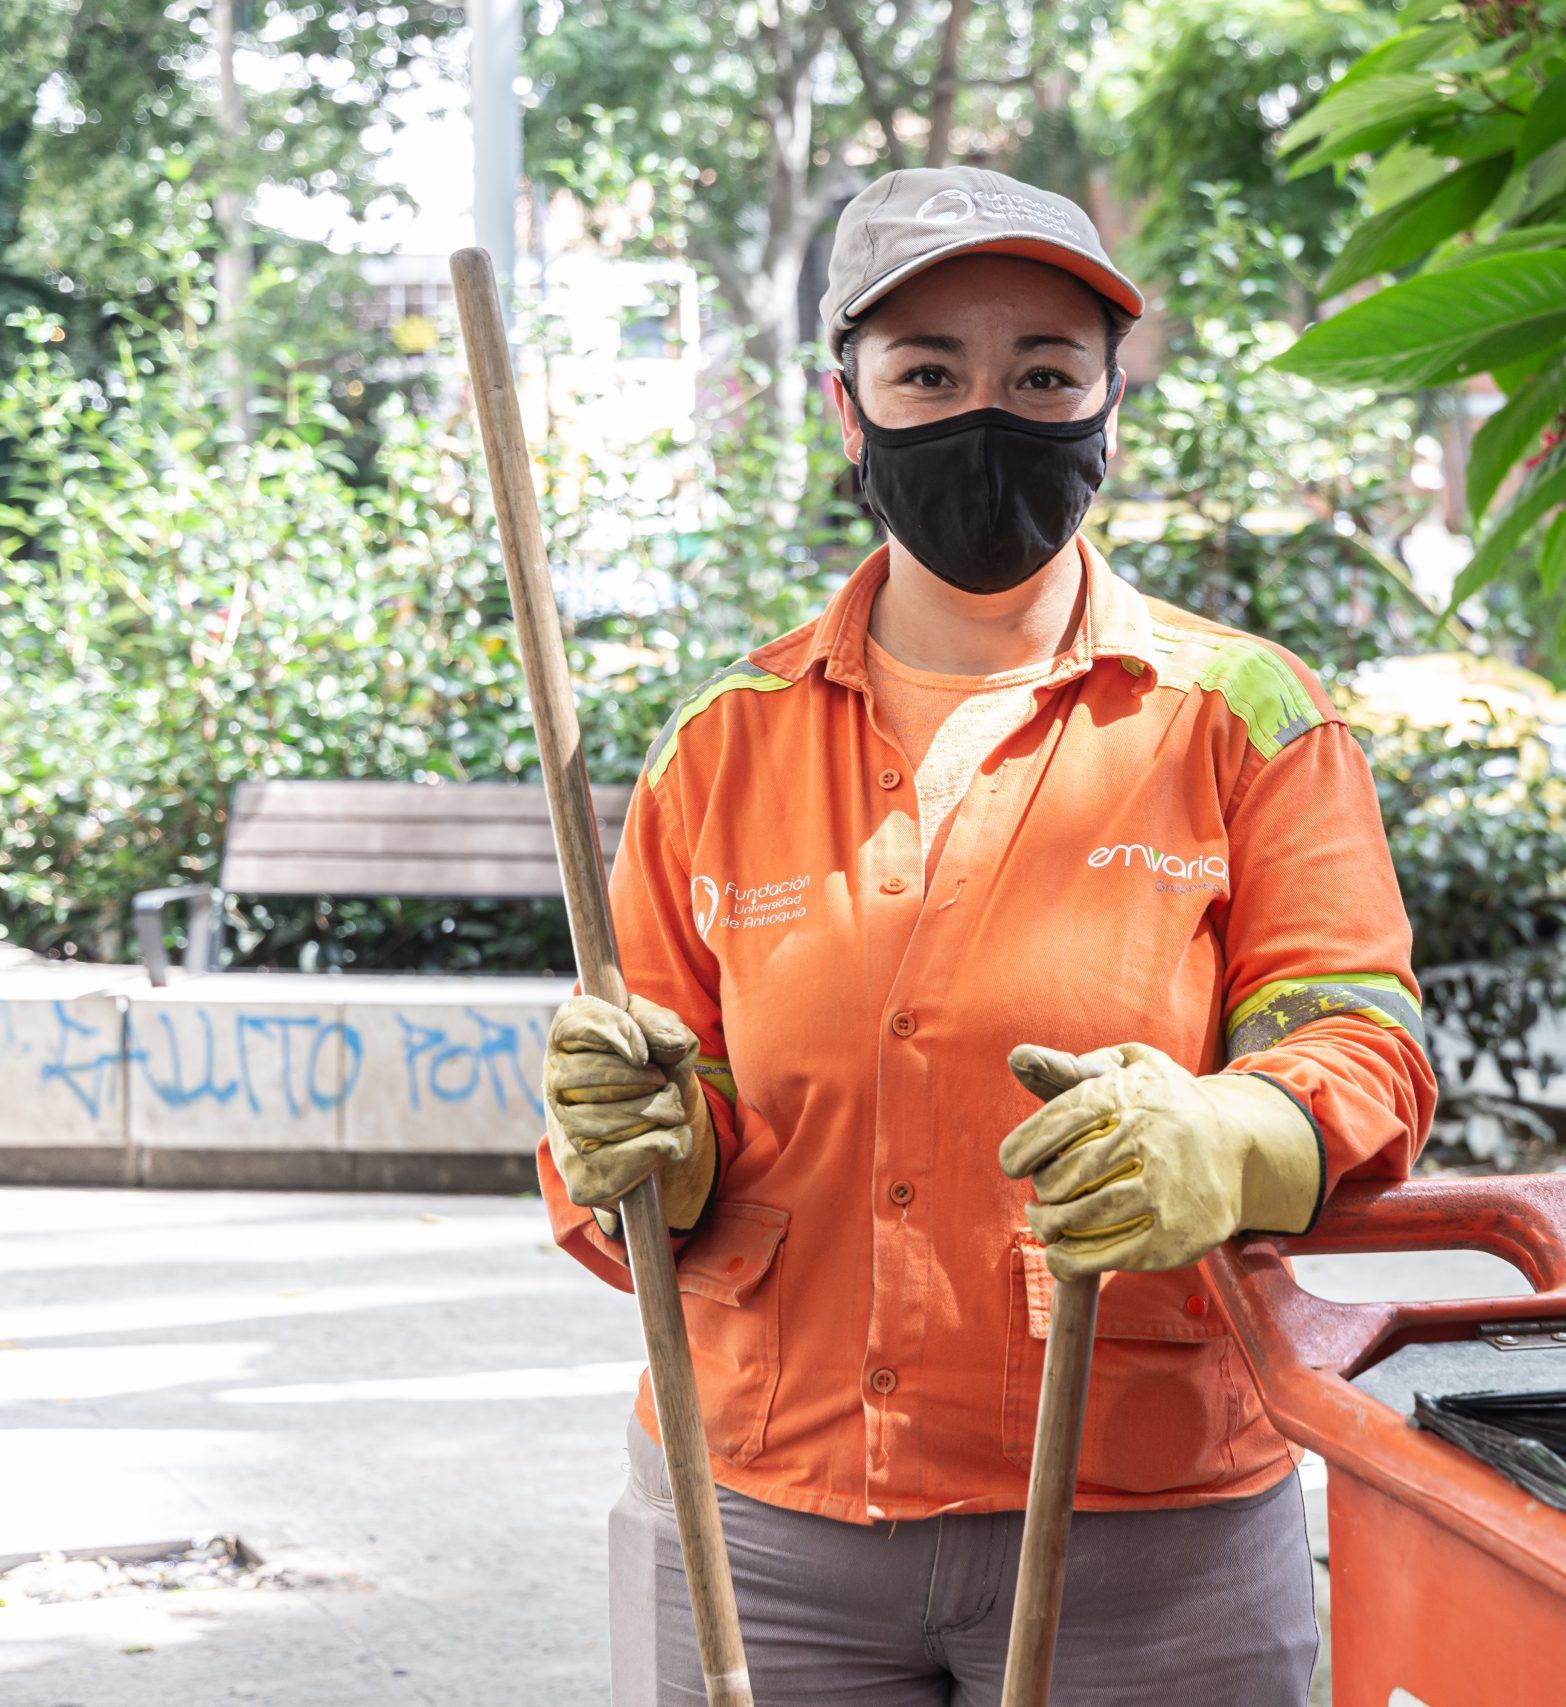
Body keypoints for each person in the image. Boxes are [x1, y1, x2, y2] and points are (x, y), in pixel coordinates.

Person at [533, 166, 1435, 1706]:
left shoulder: (1245, 719)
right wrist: (642, 1135)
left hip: (1144, 1532)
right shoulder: (718, 747)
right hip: (756, 1519)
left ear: (1108, 405)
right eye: (928, 373)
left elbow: (1367, 1046)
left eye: (1043, 375)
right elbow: (641, 1124)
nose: (987, 414)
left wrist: (1229, 1128)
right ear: (847, 407)